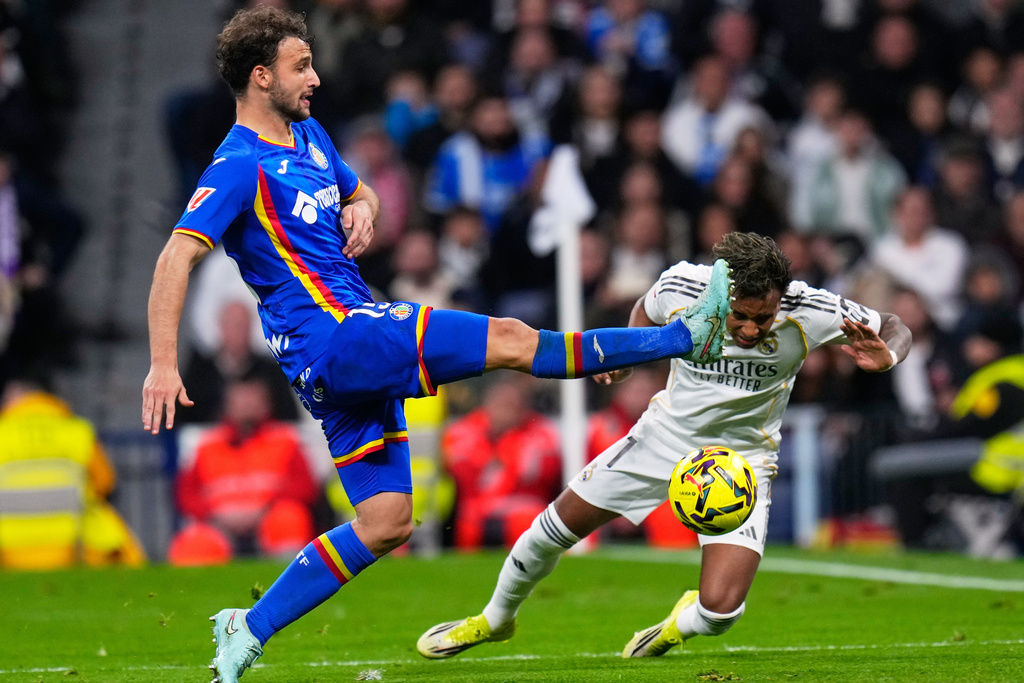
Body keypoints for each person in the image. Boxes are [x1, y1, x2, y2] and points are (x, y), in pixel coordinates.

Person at [140, 8, 732, 683]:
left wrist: (363, 206)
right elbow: (174, 258)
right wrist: (163, 362)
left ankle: (248, 627)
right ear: (259, 75)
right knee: (512, 339)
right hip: (341, 336)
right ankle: (686, 335)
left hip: (335, 358)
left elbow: (357, 190)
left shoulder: (307, 134)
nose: (316, 77)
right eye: (301, 66)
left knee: (388, 519)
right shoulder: (238, 163)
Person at [416, 231, 911, 660]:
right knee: (552, 528)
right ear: (722, 292)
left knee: (721, 612)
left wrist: (887, 354)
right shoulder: (683, 285)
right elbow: (646, 307)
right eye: (739, 316)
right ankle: (495, 619)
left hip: (743, 460)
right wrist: (631, 349)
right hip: (663, 438)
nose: (751, 329)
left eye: (764, 317)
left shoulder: (811, 308)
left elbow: (894, 324)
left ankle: (677, 625)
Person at [169, 377, 319, 564]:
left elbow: (304, 488)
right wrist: (214, 514)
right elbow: (187, 494)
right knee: (194, 545)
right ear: (227, 406)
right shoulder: (207, 445)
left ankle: (290, 588)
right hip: (217, 524)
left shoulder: (285, 440)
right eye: (241, 400)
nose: (248, 406)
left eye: (253, 399)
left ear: (267, 404)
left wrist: (265, 509)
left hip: (270, 518)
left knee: (289, 519)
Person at [0, 377, 146, 569]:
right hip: (73, 549)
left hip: (8, 554)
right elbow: (105, 485)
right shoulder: (78, 432)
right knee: (101, 516)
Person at [441, 375, 561, 549]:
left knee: (527, 520)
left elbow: (542, 476)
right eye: (501, 404)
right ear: (487, 404)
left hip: (522, 513)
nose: (506, 411)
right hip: (475, 514)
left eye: (512, 405)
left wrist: (507, 449)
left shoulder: (542, 434)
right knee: (467, 524)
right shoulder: (462, 432)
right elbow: (459, 473)